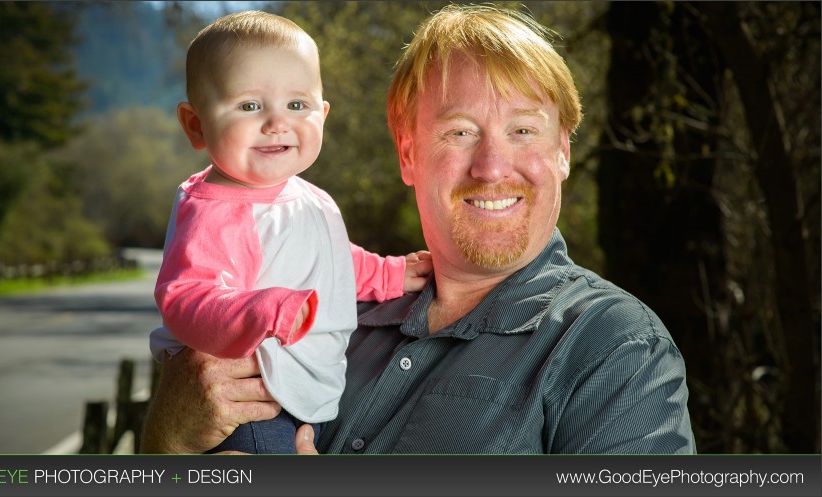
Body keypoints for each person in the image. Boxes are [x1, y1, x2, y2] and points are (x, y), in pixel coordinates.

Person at [142, 4, 696, 455]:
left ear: (563, 152)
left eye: (524, 129)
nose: (492, 166)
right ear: (408, 154)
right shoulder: (338, 307)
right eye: (459, 132)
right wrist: (166, 441)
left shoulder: (615, 347)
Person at [151, 10, 432, 454]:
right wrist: (267, 311)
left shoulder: (306, 198)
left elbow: (331, 260)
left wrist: (389, 274)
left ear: (322, 114)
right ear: (196, 125)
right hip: (252, 409)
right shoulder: (216, 211)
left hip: (302, 394)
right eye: (249, 105)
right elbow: (185, 298)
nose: (276, 122)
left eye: (297, 105)